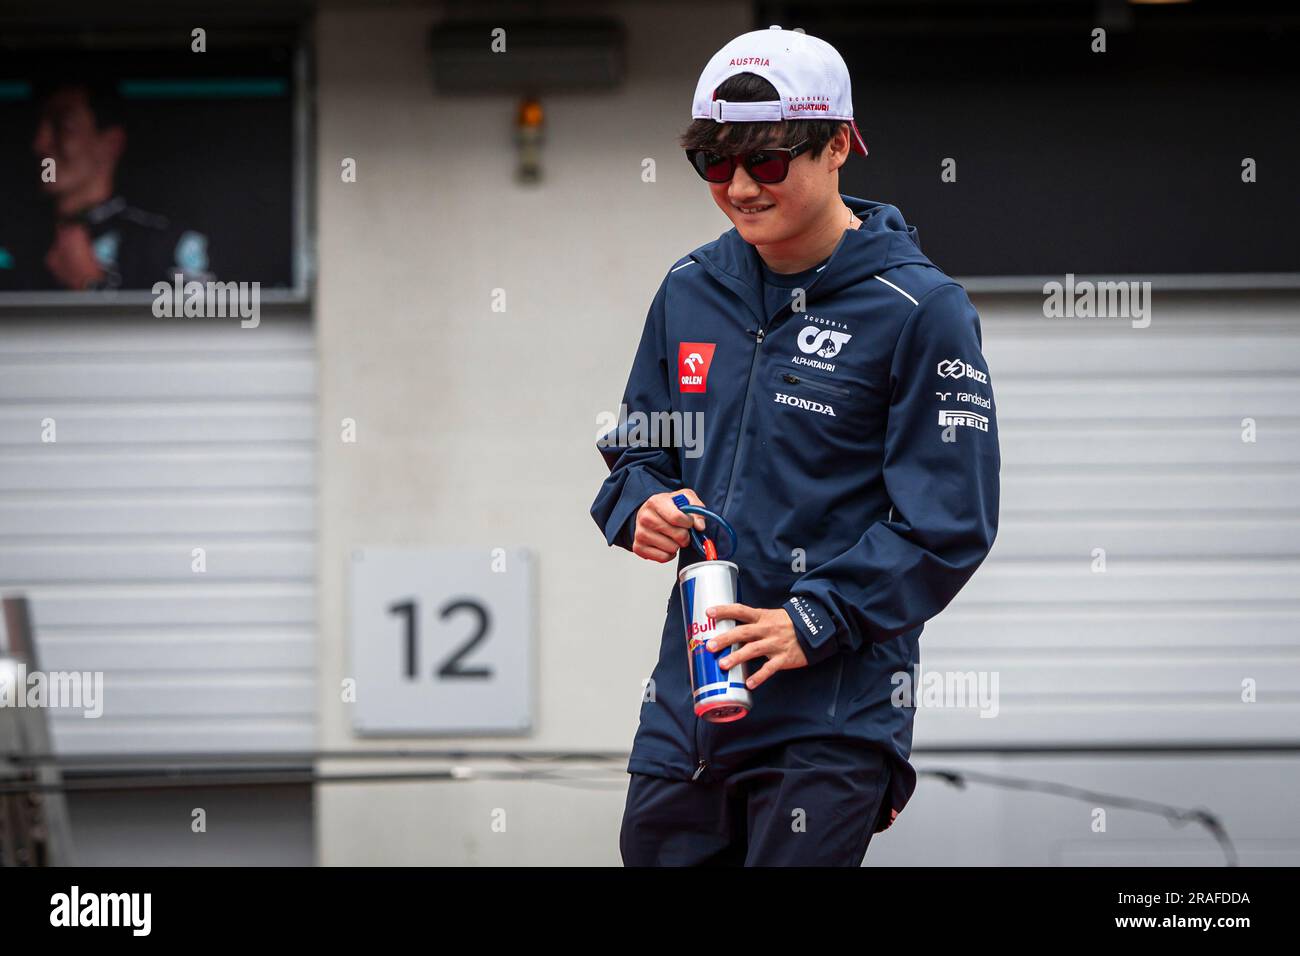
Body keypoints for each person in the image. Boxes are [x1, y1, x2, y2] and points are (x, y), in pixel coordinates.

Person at [590, 25, 1001, 866]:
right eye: (714, 163)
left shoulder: (920, 310)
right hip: (688, 710)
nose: (740, 187)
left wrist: (812, 619)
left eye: (768, 162)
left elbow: (949, 522)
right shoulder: (690, 287)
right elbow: (641, 445)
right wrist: (640, 503)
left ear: (839, 145)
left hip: (830, 718)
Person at [23, 77, 210, 291]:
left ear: (111, 143)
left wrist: (91, 285)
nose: (40, 144)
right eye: (36, 128)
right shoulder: (18, 239)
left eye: (63, 127)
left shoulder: (170, 243)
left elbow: (203, 312)